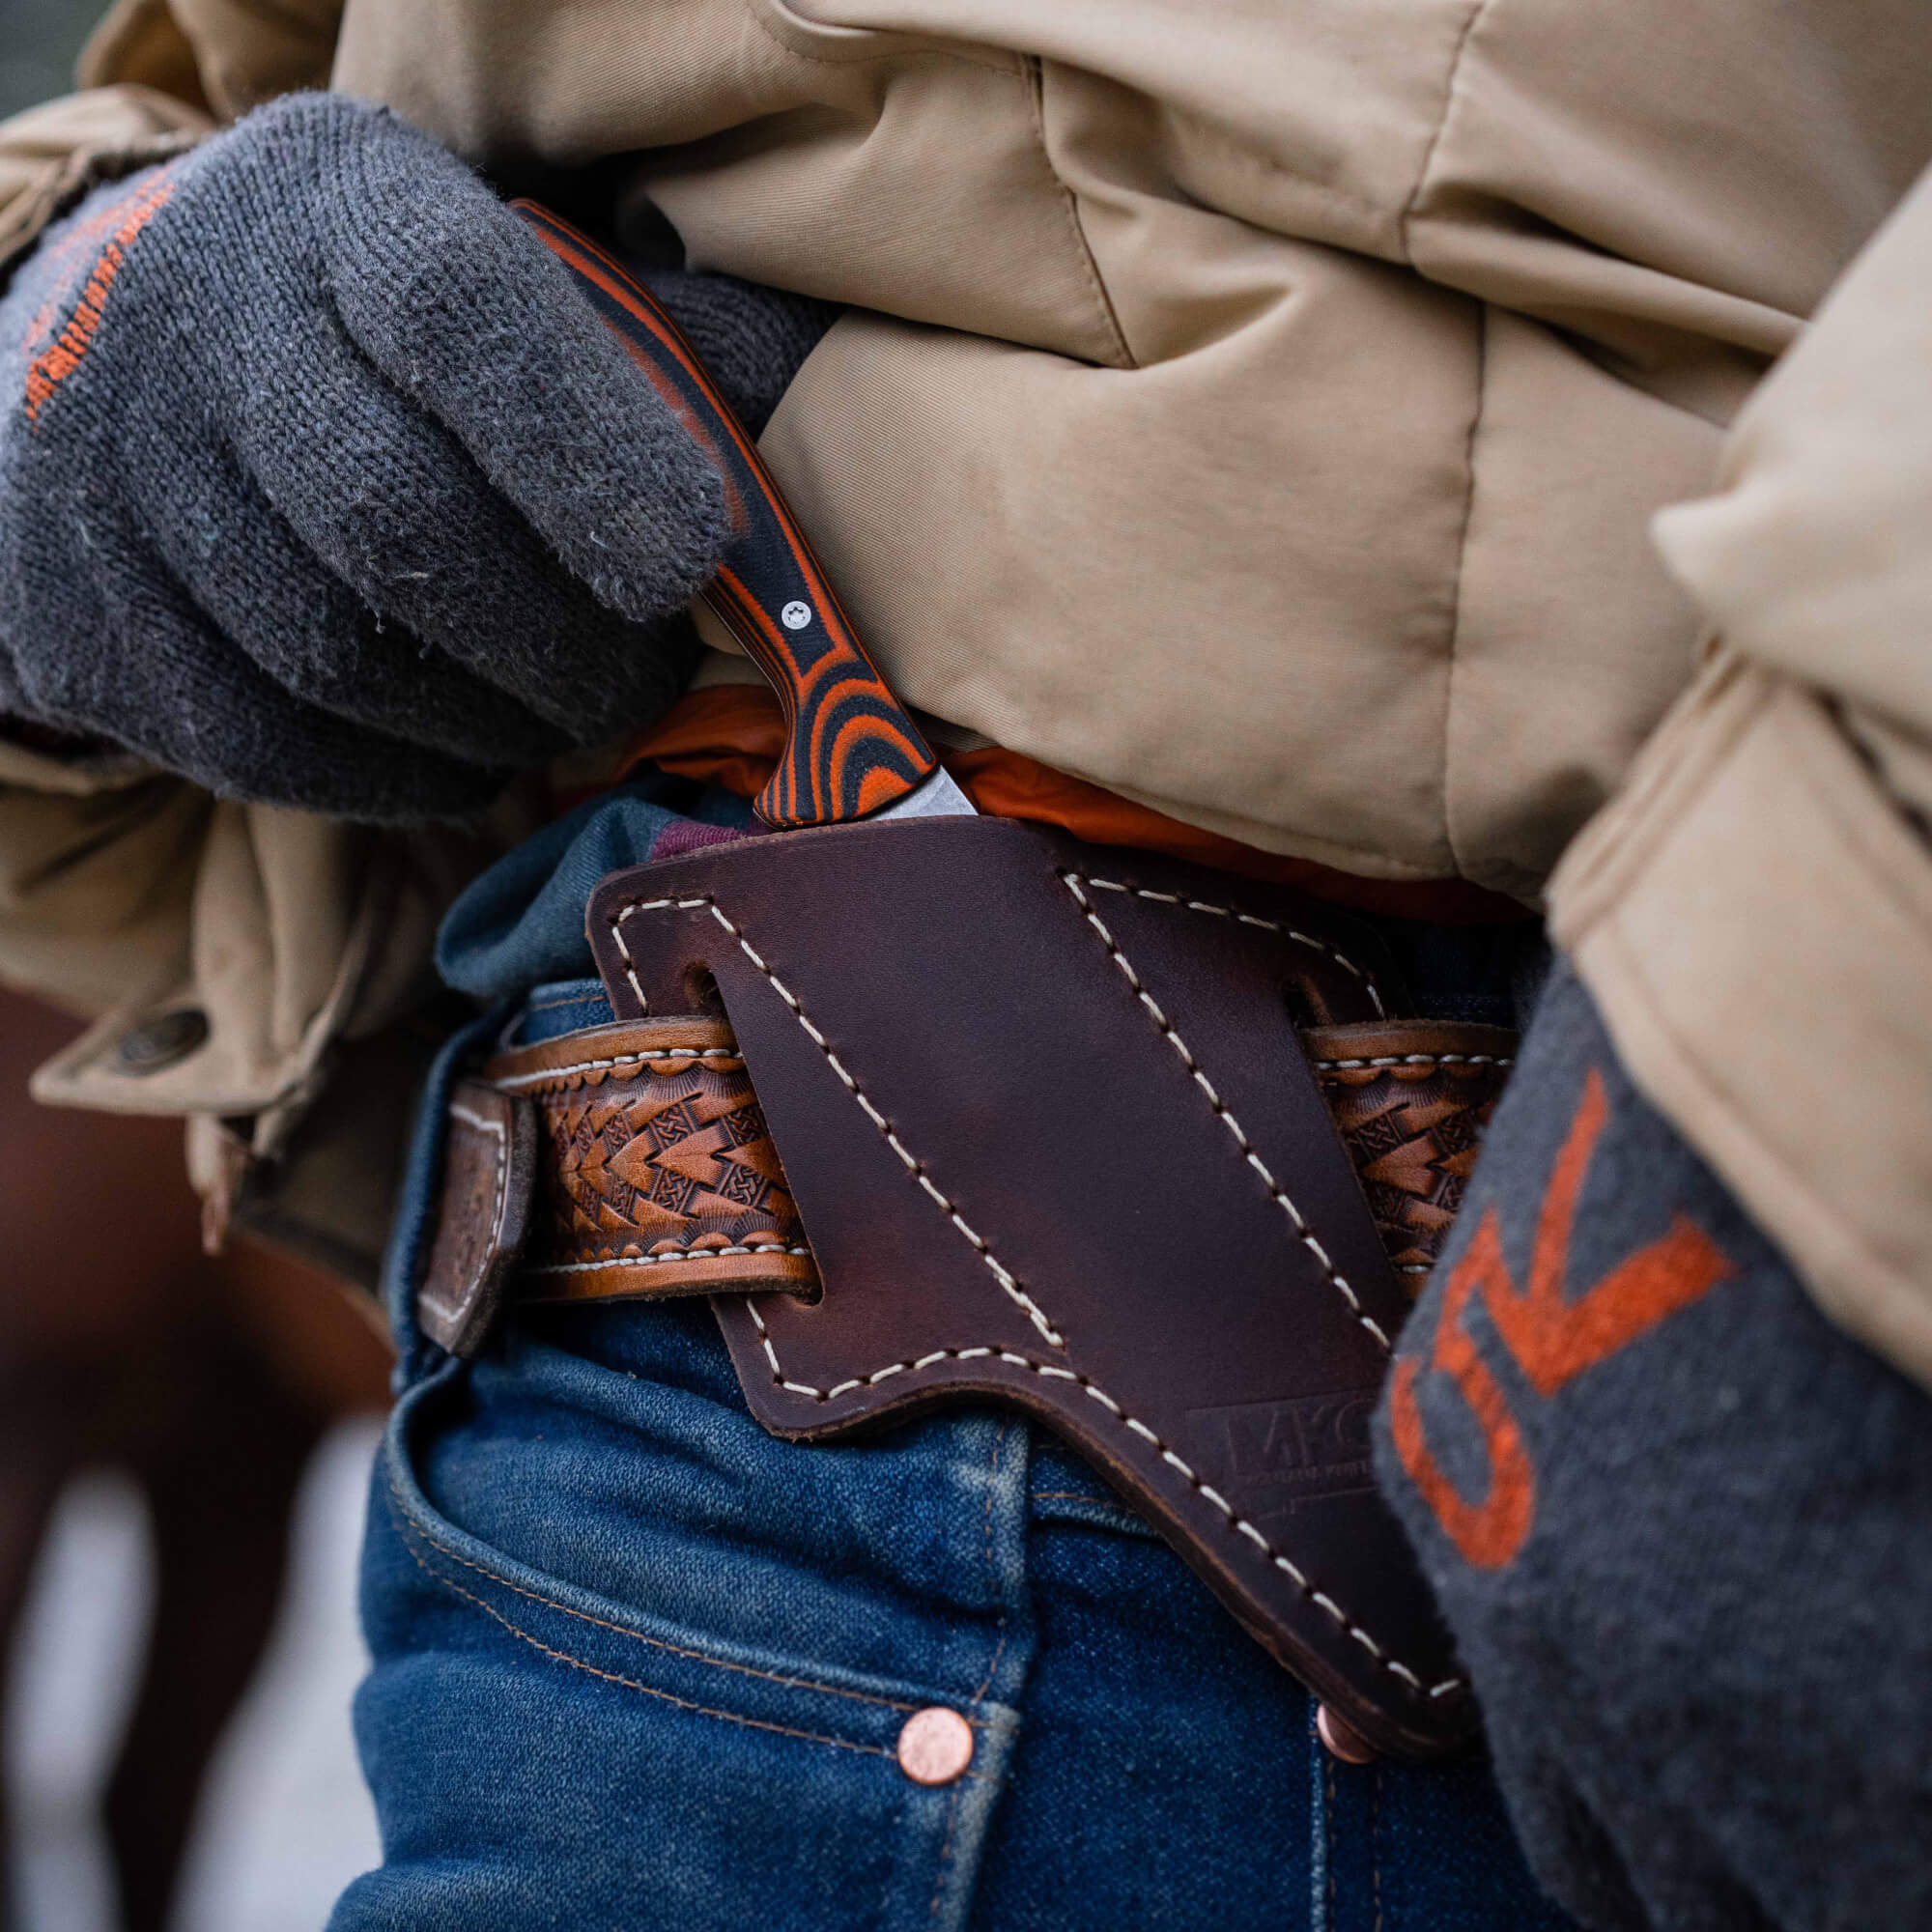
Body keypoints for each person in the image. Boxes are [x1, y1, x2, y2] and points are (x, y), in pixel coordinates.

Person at [0, 3, 1927, 1924]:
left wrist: (1837, 987)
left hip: (1661, 1300)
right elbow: (243, 81)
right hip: (749, 1421)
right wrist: (69, 297)